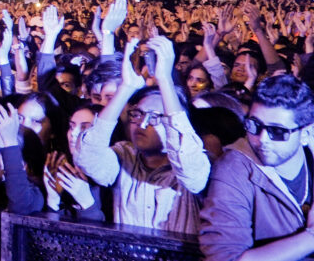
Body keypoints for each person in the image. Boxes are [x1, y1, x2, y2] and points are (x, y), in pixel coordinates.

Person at [75, 35, 210, 234]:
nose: (142, 123)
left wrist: (164, 80)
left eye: (156, 117)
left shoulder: (196, 161)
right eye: (137, 114)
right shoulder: (124, 155)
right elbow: (87, 158)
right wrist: (126, 89)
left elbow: (190, 171)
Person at [199, 74, 314, 261]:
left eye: (277, 131)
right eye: (254, 125)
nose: (262, 140)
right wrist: (310, 238)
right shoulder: (233, 169)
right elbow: (225, 258)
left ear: (306, 134)